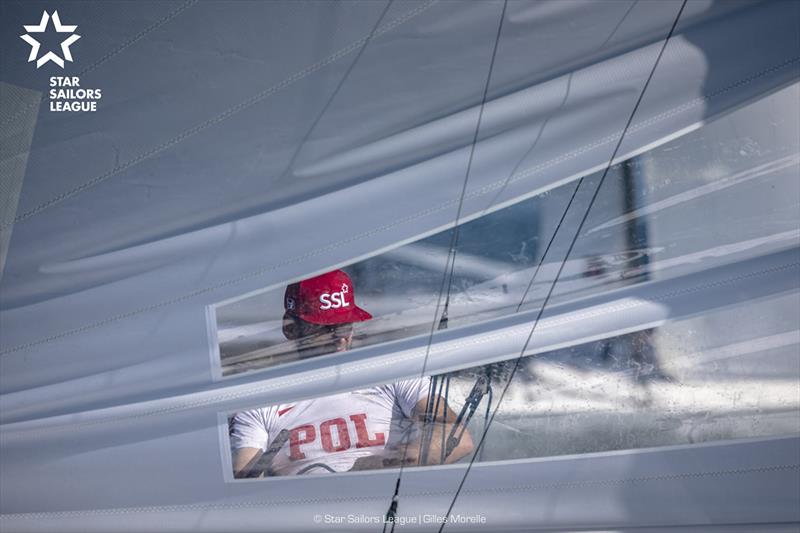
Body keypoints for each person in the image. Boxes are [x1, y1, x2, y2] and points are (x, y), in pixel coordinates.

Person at [230, 270, 473, 477]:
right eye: (325, 328)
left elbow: (457, 438)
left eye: (345, 325)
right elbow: (242, 489)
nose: (341, 337)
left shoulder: (391, 374)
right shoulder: (258, 402)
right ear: (290, 329)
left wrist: (373, 468)